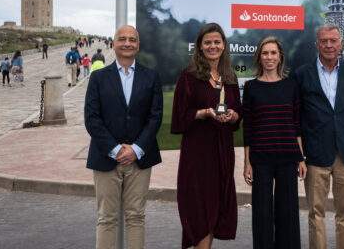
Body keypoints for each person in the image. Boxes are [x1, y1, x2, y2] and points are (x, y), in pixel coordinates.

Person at [85, 25, 163, 249]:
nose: (127, 43)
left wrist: (136, 149)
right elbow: (92, 118)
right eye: (122, 39)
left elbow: (155, 117)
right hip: (105, 158)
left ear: (138, 45)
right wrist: (116, 149)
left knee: (136, 217)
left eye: (132, 39)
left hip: (140, 159)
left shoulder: (151, 77)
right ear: (114, 43)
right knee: (107, 218)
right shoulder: (98, 78)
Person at [171, 23, 241, 249]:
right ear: (200, 47)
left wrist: (231, 117)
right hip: (198, 156)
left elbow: (238, 114)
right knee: (200, 210)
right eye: (208, 42)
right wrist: (203, 113)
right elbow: (180, 116)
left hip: (222, 153)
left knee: (215, 208)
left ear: (224, 45)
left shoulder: (229, 77)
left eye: (217, 42)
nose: (213, 46)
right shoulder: (189, 76)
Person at [294, 23, 344, 249]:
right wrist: (300, 154)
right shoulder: (302, 75)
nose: (329, 45)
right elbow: (297, 116)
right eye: (323, 41)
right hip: (315, 155)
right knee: (316, 214)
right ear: (317, 44)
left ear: (341, 43)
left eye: (333, 41)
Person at [242, 35, 306, 249]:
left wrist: (301, 158)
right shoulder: (251, 87)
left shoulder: (291, 86)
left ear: (280, 57)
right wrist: (247, 162)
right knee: (262, 213)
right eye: (265, 53)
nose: (269, 57)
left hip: (288, 158)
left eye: (273, 53)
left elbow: (297, 124)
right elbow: (248, 128)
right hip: (260, 160)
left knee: (288, 212)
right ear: (259, 57)